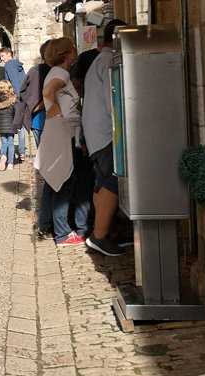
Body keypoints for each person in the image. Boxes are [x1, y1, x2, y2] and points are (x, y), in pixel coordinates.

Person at [34, 37, 91, 247]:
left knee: (55, 182)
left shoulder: (57, 73)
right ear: (66, 53)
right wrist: (54, 107)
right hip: (62, 133)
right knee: (63, 181)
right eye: (73, 49)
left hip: (61, 132)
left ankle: (48, 224)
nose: (77, 51)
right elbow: (48, 91)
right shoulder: (62, 73)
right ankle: (63, 233)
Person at [82, 19, 128, 256]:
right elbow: (113, 98)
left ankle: (106, 232)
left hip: (94, 133)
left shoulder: (98, 60)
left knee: (102, 182)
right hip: (107, 132)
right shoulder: (110, 61)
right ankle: (99, 235)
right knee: (113, 180)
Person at [13, 40, 53, 237]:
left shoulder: (36, 70)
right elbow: (36, 100)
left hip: (41, 124)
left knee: (50, 174)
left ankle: (49, 220)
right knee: (52, 175)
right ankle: (47, 221)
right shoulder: (42, 71)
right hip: (44, 123)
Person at [0, 47, 26, 161]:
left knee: (12, 124)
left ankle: (10, 152)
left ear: (9, 54)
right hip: (22, 97)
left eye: (2, 56)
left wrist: (14, 96)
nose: (1, 59)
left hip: (15, 97)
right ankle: (22, 152)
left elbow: (13, 81)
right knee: (21, 126)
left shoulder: (9, 65)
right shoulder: (18, 64)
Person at [0, 80, 18, 171]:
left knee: (4, 143)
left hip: (0, 124)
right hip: (11, 124)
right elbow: (16, 113)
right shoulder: (13, 99)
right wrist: (17, 124)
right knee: (11, 143)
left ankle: (3, 156)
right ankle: (10, 163)